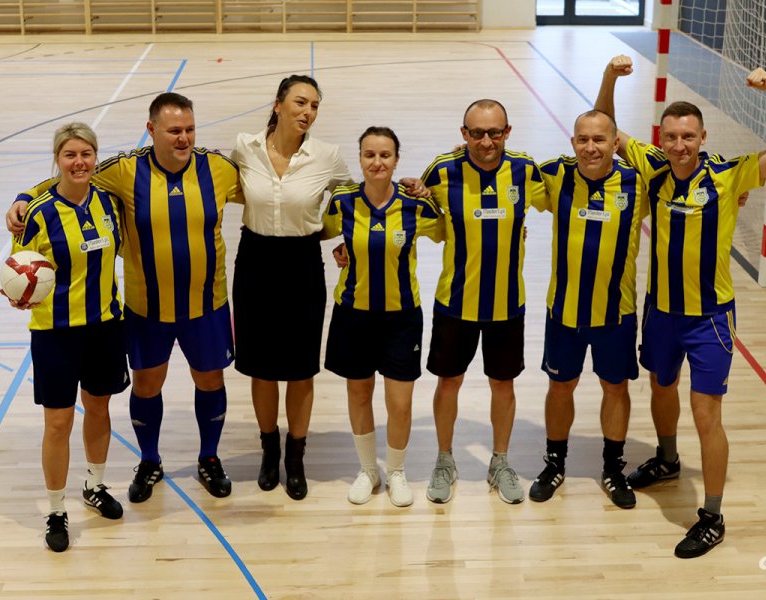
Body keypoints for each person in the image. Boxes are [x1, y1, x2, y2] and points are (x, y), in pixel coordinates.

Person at [596, 55, 766, 557]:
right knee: (661, 385)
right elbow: (605, 128)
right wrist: (609, 78)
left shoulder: (730, 175)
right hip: (662, 312)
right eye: (671, 137)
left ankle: (712, 516)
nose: (679, 145)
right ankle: (668, 460)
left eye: (688, 137)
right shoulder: (653, 167)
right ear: (661, 138)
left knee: (705, 411)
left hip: (710, 318)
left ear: (702, 137)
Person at [7, 93, 243, 503]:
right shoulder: (125, 170)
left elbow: (269, 189)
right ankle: (149, 460)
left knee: (210, 379)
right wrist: (25, 196)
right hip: (145, 307)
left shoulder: (218, 168)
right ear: (151, 130)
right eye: (174, 130)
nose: (184, 138)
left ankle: (209, 457)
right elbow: (72, 177)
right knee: (147, 385)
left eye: (189, 129)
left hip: (207, 305)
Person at [4, 122, 128, 552]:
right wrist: (17, 294)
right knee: (58, 423)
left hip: (105, 325)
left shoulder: (109, 202)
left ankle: (94, 486)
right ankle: (56, 510)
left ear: (95, 157)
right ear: (57, 159)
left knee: (99, 408)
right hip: (55, 334)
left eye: (86, 154)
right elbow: (18, 269)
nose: (79, 162)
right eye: (70, 155)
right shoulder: (39, 213)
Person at [230, 75, 351, 501]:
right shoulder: (244, 148)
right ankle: (269, 450)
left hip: (302, 264)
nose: (308, 112)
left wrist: (341, 240)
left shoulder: (327, 156)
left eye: (314, 105)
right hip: (255, 261)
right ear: (278, 104)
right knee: (260, 366)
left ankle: (296, 456)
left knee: (301, 368)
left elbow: (353, 200)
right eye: (300, 102)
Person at [421, 99, 547, 505]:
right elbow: (409, 208)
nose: (486, 141)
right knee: (449, 382)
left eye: (495, 132)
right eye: (477, 133)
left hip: (507, 304)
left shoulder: (525, 170)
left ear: (508, 132)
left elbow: (568, 192)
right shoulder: (442, 170)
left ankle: (500, 461)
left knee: (503, 384)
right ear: (464, 134)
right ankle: (444, 460)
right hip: (454, 302)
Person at [531, 109, 649, 509]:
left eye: (599, 139)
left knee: (615, 387)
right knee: (560, 386)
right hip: (564, 312)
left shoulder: (638, 182)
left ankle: (613, 469)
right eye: (582, 139)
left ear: (616, 143)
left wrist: (735, 193)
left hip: (616, 314)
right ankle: (555, 463)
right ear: (572, 143)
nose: (590, 147)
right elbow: (504, 173)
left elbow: (685, 178)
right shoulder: (556, 174)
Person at [322, 126, 442, 507]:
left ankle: (396, 472)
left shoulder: (414, 206)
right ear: (359, 158)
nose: (377, 162)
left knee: (400, 403)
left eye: (385, 155)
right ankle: (367, 470)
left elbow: (450, 229)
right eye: (369, 155)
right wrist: (341, 247)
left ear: (397, 159)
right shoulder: (342, 202)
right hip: (353, 315)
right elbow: (316, 231)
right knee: (359, 394)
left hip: (401, 319)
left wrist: (429, 191)